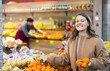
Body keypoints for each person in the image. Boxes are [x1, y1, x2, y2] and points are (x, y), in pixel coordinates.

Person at [43, 13, 110, 71]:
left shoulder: (96, 40)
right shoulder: (71, 40)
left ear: (88, 23)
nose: (79, 23)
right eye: (77, 21)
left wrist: (90, 63)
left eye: (82, 21)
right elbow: (66, 58)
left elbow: (105, 60)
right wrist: (48, 59)